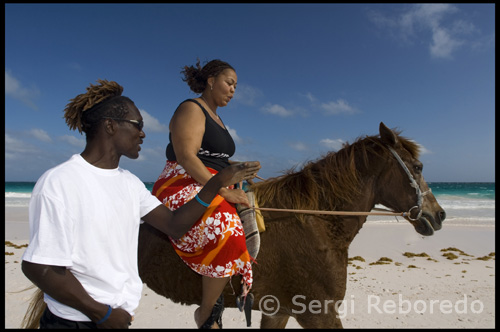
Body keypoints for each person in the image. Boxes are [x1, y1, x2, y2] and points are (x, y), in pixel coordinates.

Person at [20, 79, 261, 329]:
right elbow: (39, 267)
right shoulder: (60, 182)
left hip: (116, 319)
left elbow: (175, 225)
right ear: (111, 126)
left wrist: (216, 183)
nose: (143, 133)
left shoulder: (130, 184)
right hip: (78, 321)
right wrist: (102, 314)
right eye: (138, 125)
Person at [152, 59, 258, 328]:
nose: (233, 90)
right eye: (229, 83)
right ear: (211, 81)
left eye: (235, 86)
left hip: (211, 178)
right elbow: (187, 156)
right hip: (181, 180)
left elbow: (214, 157)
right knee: (228, 229)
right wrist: (222, 190)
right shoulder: (191, 108)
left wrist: (240, 168)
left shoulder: (218, 118)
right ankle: (207, 313)